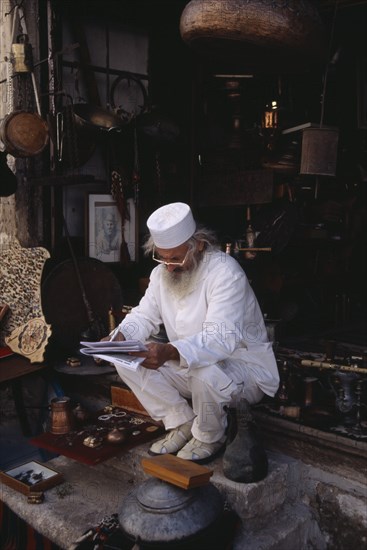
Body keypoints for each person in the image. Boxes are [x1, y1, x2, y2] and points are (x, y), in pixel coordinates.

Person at [105, 202, 279, 463]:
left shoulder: (225, 273)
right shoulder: (161, 273)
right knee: (127, 360)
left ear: (198, 245)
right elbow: (143, 315)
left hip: (243, 370)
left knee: (205, 369)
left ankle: (210, 435)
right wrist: (119, 337)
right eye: (162, 257)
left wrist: (171, 351)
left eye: (175, 258)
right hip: (188, 367)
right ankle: (182, 422)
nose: (169, 267)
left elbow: (219, 340)